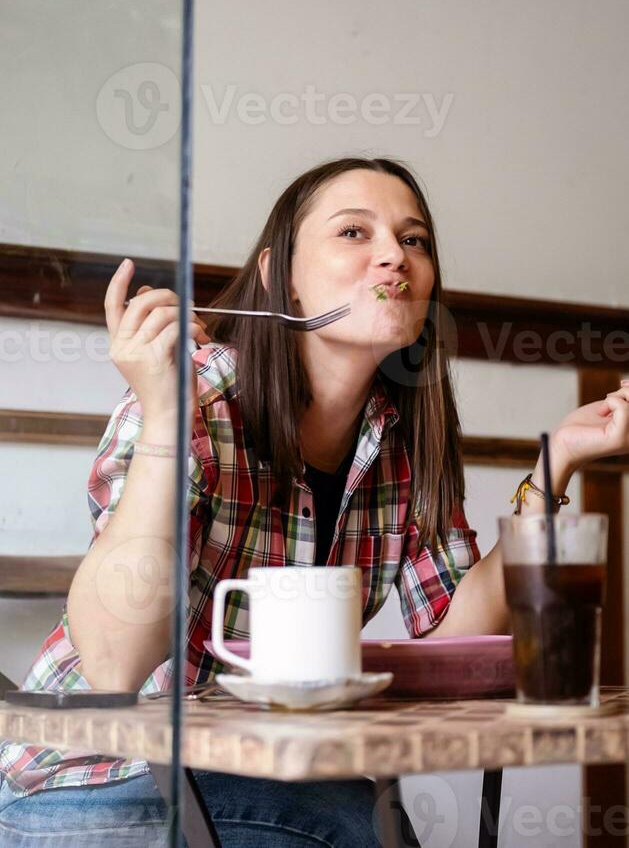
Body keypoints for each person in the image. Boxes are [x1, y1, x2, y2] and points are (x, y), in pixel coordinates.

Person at [1, 156, 628, 847]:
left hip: (267, 771)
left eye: (413, 239)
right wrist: (163, 418)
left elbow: (450, 642)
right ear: (279, 277)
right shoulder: (193, 393)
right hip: (89, 780)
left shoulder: (404, 434)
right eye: (354, 233)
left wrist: (554, 462)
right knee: (348, 827)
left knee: (359, 822)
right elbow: (116, 664)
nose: (394, 256)